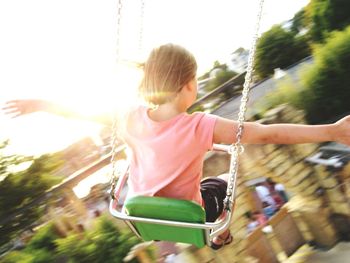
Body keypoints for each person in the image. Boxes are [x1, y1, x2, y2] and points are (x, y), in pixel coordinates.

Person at [3, 43, 350, 250]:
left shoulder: (129, 117)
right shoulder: (200, 125)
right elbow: (267, 133)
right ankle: (219, 238)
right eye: (196, 80)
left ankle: (201, 231)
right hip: (190, 215)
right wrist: (332, 130)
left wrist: (40, 104)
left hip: (142, 213)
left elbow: (77, 112)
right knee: (220, 186)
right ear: (187, 85)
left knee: (200, 176)